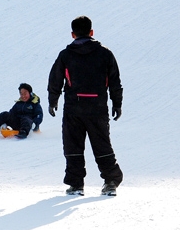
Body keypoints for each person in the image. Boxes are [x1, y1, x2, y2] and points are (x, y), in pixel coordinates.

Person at [47, 16, 123, 196]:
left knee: (73, 146)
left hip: (74, 108)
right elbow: (114, 81)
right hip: (97, 108)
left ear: (73, 34)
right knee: (102, 145)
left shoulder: (65, 55)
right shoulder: (105, 54)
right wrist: (117, 104)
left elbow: (55, 79)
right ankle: (111, 182)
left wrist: (53, 100)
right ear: (92, 32)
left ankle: (76, 185)